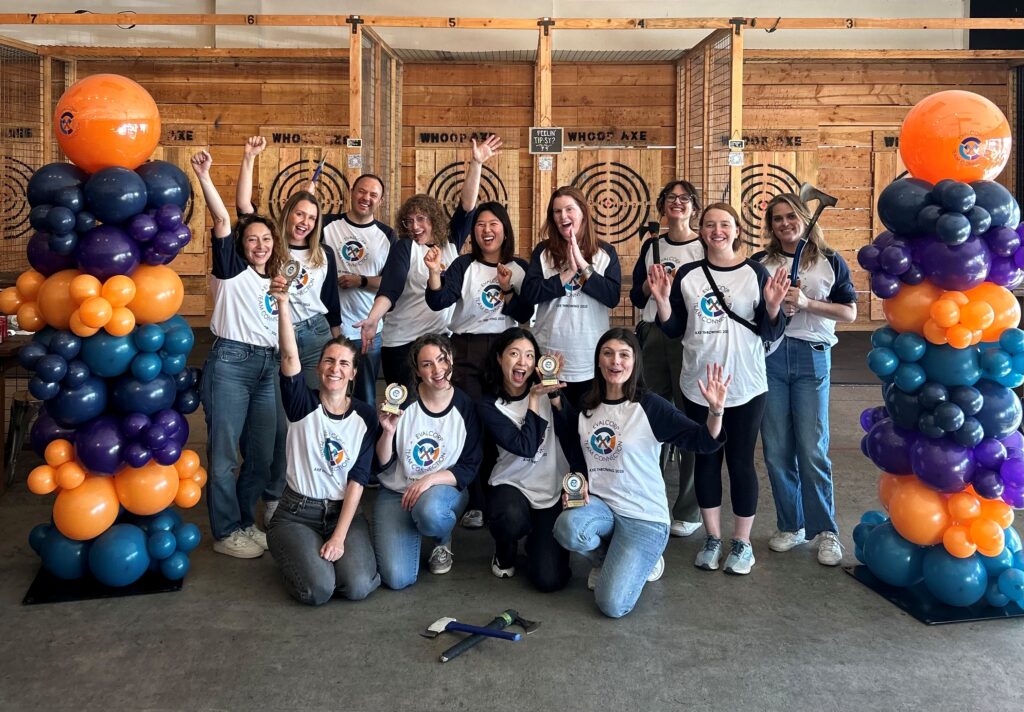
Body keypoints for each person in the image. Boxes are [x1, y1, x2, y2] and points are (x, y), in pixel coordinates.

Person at [649, 202, 789, 575]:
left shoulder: (755, 273)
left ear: (737, 230)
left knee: (741, 462)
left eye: (724, 224)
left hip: (744, 385)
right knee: (706, 459)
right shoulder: (689, 276)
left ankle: (741, 543)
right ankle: (712, 538)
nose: (717, 231)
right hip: (699, 385)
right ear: (701, 230)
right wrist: (663, 300)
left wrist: (774, 307)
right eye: (709, 224)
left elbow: (769, 331)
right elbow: (675, 328)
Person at [552, 328, 727, 618]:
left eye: (624, 355)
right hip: (603, 508)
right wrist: (556, 398)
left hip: (644, 517)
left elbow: (702, 441)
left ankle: (647, 559)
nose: (615, 361)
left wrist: (716, 412)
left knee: (612, 605)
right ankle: (611, 559)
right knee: (567, 527)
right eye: (607, 353)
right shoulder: (587, 405)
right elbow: (575, 444)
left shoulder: (650, 406)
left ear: (635, 362)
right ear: (598, 360)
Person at [236, 136, 344, 523]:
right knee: (277, 423)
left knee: (312, 417)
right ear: (287, 215)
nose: (305, 222)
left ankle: (312, 487)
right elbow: (245, 210)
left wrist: (338, 341)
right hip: (275, 336)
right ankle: (274, 494)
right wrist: (249, 159)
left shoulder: (323, 254)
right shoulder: (270, 244)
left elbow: (330, 302)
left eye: (312, 218)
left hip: (315, 338)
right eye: (299, 214)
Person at [191, 149, 286, 559]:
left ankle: (247, 522)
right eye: (253, 240)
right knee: (226, 456)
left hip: (267, 366)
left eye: (266, 239)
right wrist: (205, 176)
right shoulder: (231, 269)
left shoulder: (275, 278)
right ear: (241, 245)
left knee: (262, 454)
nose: (260, 245)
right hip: (230, 363)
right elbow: (224, 220)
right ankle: (226, 531)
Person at [754, 193, 857, 566]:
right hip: (771, 359)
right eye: (776, 219)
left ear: (802, 218)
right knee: (777, 448)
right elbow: (754, 315)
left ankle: (825, 530)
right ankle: (790, 524)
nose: (784, 224)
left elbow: (848, 312)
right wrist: (777, 305)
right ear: (770, 226)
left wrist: (808, 303)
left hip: (813, 357)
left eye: (790, 216)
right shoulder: (760, 263)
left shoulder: (830, 261)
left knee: (812, 448)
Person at [264, 274, 381, 605]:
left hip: (342, 513)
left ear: (354, 372)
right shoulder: (302, 404)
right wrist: (283, 305)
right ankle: (290, 548)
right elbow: (288, 358)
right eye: (329, 361)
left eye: (344, 363)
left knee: (357, 586)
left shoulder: (365, 416)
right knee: (319, 590)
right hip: (296, 512)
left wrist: (340, 537)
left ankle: (326, 558)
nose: (335, 368)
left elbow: (358, 479)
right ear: (318, 367)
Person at [355, 137, 502, 390]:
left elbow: (467, 206)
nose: (414, 226)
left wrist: (476, 163)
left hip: (439, 343)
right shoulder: (405, 247)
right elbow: (390, 289)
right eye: (409, 221)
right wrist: (373, 319)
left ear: (433, 219)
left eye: (421, 219)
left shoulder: (451, 243)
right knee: (405, 412)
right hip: (403, 344)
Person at [373, 334, 482, 588]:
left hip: (441, 491)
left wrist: (428, 480)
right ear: (417, 371)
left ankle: (441, 538)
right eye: (427, 364)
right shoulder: (403, 402)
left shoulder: (465, 407)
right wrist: (387, 432)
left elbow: (469, 466)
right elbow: (383, 463)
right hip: (396, 492)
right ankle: (413, 528)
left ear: (452, 359)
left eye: (442, 360)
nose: (437, 370)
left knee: (431, 512)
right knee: (397, 578)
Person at [629, 179, 705, 539]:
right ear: (662, 206)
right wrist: (651, 284)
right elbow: (635, 295)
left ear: (694, 207)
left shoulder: (704, 245)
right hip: (653, 335)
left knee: (689, 417)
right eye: (671, 198)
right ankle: (649, 494)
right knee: (649, 416)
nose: (677, 203)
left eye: (684, 199)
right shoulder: (652, 245)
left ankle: (688, 508)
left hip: (689, 336)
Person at [476, 328, 571, 591]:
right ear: (499, 358)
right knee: (511, 518)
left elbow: (574, 432)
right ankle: (505, 549)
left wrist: (554, 397)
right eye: (514, 354)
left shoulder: (548, 390)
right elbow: (526, 447)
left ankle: (537, 539)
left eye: (530, 355)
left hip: (550, 488)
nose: (523, 362)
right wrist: (533, 399)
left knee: (549, 580)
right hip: (511, 485)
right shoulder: (488, 405)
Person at [520, 186, 622, 407]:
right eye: (557, 212)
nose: (563, 216)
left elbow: (612, 297)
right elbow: (530, 293)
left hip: (590, 359)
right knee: (554, 422)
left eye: (569, 209)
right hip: (549, 358)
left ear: (583, 212)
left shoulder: (605, 253)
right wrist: (566, 275)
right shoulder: (543, 252)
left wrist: (584, 268)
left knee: (585, 426)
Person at [321, 173, 396, 405]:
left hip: (368, 330)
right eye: (362, 191)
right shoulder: (326, 225)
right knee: (327, 393)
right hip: (327, 328)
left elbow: (393, 284)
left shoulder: (387, 235)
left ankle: (365, 440)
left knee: (366, 397)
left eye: (374, 195)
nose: (366, 198)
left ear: (380, 201)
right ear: (352, 192)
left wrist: (360, 281)